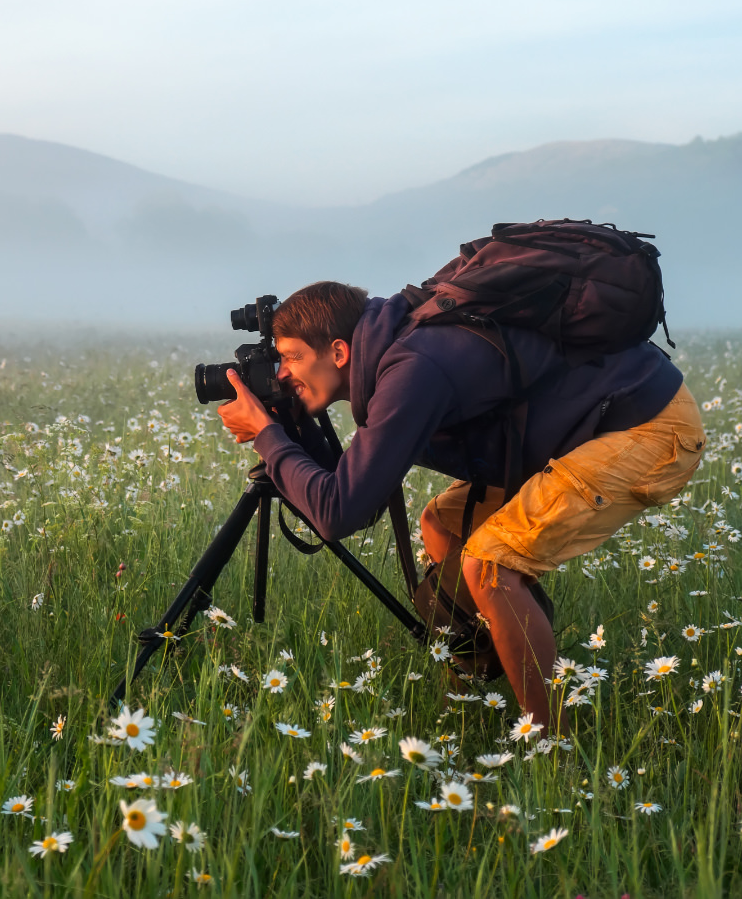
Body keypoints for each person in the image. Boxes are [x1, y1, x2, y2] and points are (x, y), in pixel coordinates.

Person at [218, 280, 705, 732]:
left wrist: (267, 436)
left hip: (647, 426)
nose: (281, 375)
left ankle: (548, 744)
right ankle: (481, 682)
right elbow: (356, 499)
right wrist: (286, 429)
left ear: (339, 352)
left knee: (490, 563)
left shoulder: (413, 369)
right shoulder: (394, 350)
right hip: (586, 426)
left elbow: (339, 513)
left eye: (291, 359)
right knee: (442, 525)